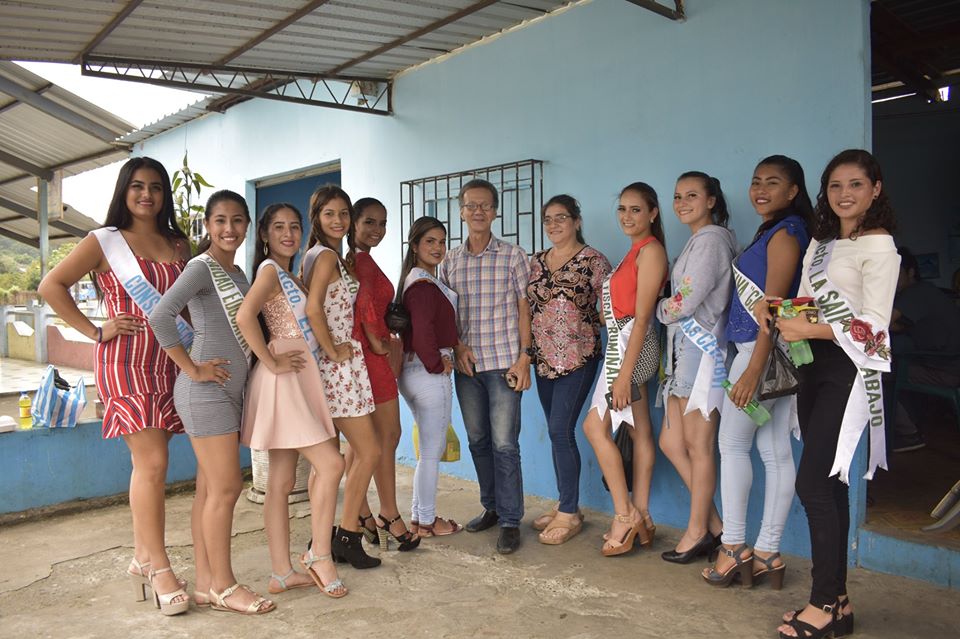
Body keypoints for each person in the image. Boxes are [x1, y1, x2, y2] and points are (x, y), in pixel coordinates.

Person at [38, 157, 192, 615]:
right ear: (125, 190)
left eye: (156, 187)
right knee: (154, 462)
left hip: (170, 360)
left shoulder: (177, 243)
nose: (147, 195)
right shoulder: (103, 241)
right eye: (138, 186)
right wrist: (95, 330)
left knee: (148, 465)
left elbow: (186, 306)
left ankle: (142, 558)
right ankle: (159, 567)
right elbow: (51, 286)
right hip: (125, 361)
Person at [768, 149, 899, 638]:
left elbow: (876, 329)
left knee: (814, 485)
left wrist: (810, 329)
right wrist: (781, 310)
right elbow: (808, 302)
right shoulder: (822, 244)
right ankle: (837, 603)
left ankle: (823, 602)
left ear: (875, 189)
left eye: (856, 184)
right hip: (813, 366)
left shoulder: (880, 246)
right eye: (836, 185)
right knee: (831, 483)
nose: (845, 194)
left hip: (849, 369)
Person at [149, 190, 274, 614]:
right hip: (205, 392)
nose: (229, 228)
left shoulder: (237, 272)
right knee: (227, 487)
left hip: (229, 393)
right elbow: (161, 316)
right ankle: (224, 585)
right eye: (220, 220)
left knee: (208, 490)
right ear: (207, 225)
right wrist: (192, 367)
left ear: (247, 226)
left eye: (237, 220)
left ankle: (205, 584)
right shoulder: (201, 267)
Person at [702, 156, 812, 589]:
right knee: (774, 449)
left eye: (773, 182)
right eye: (756, 182)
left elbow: (774, 309)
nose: (761, 189)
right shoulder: (778, 230)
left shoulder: (785, 234)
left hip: (760, 352)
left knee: (732, 444)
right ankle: (767, 552)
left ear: (793, 191)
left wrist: (752, 370)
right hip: (776, 355)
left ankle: (732, 547)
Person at [237, 203, 347, 599]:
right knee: (331, 464)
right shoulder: (270, 271)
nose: (288, 234)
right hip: (284, 379)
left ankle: (281, 573)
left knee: (281, 482)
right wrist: (271, 361)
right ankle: (320, 555)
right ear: (265, 234)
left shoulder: (291, 275)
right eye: (279, 227)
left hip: (298, 377)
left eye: (295, 227)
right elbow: (245, 317)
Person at [441, 178, 532, 555]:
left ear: (495, 212)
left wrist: (525, 357)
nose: (478, 211)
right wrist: (457, 346)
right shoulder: (450, 261)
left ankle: (511, 520)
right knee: (478, 441)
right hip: (468, 368)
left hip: (504, 365)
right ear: (461, 212)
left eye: (485, 206)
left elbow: (525, 308)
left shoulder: (514, 256)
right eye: (471, 205)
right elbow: (446, 314)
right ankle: (492, 507)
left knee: (505, 444)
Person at [579, 186, 666, 554]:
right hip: (625, 342)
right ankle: (642, 514)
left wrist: (624, 374)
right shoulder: (635, 251)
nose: (627, 217)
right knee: (638, 428)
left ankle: (624, 514)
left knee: (594, 427)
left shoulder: (651, 251)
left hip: (632, 348)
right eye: (622, 209)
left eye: (636, 210)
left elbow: (643, 317)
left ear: (653, 213)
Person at [656, 171, 737, 564]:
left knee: (698, 446)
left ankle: (696, 531)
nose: (682, 203)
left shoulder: (711, 241)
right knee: (672, 443)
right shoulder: (699, 240)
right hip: (683, 352)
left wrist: (656, 308)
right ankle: (715, 527)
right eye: (677, 196)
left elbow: (684, 302)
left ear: (711, 201)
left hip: (700, 353)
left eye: (692, 195)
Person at [302, 185, 381, 569]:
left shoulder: (318, 255)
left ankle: (323, 537)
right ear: (316, 217)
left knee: (330, 460)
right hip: (336, 369)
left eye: (343, 213)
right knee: (369, 451)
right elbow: (313, 308)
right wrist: (333, 350)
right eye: (329, 213)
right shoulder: (325, 256)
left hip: (333, 367)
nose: (338, 220)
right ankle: (348, 536)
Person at [527, 195, 612, 545]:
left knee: (561, 430)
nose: (553, 224)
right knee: (555, 431)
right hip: (543, 360)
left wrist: (585, 324)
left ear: (577, 221)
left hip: (579, 357)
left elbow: (612, 309)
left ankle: (569, 512)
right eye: (548, 219)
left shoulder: (594, 261)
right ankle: (566, 502)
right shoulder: (535, 262)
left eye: (561, 217)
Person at [344, 197, 420, 551]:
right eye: (370, 222)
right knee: (387, 435)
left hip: (362, 356)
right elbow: (363, 306)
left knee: (362, 442)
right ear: (353, 223)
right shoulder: (358, 261)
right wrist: (379, 342)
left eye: (383, 223)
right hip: (370, 356)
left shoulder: (358, 259)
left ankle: (363, 512)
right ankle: (387, 513)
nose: (378, 229)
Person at [396, 217, 463, 538]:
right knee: (431, 453)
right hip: (427, 373)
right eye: (429, 242)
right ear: (415, 246)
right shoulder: (422, 286)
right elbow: (423, 330)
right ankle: (427, 521)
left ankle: (418, 517)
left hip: (412, 372)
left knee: (427, 451)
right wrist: (437, 364)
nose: (437, 248)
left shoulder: (416, 281)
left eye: (441, 241)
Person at [889, 247, 960, 452]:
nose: (890, 278)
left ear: (911, 272)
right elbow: (898, 326)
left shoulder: (916, 292)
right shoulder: (923, 291)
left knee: (879, 374)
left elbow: (883, 322)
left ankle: (909, 434)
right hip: (944, 362)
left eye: (896, 272)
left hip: (946, 368)